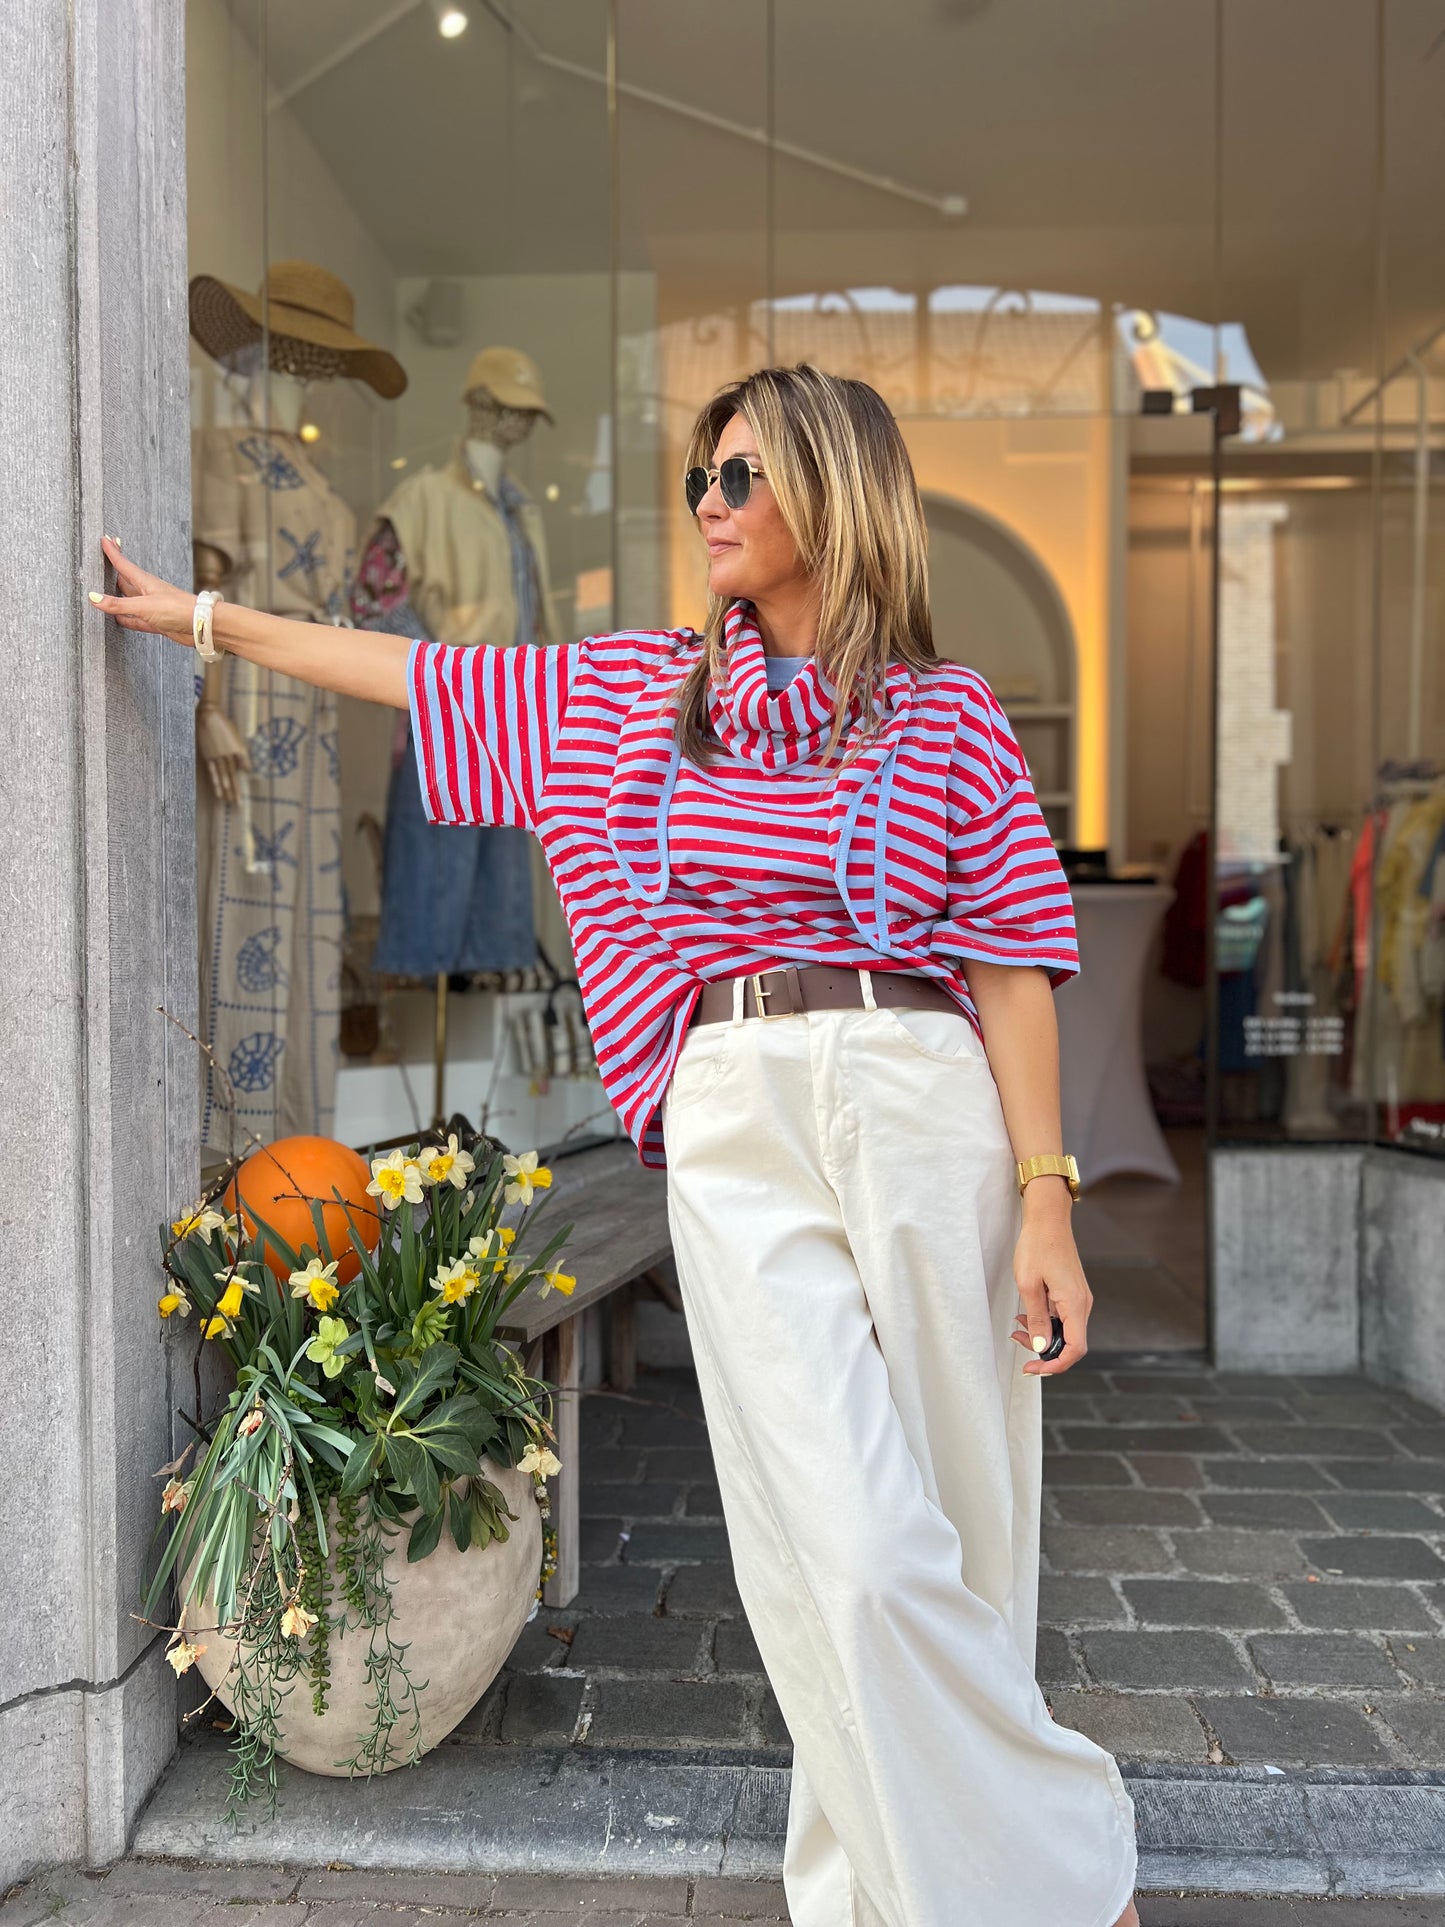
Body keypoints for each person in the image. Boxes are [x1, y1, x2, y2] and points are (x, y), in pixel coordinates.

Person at [93, 362, 1141, 1927]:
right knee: (840, 1548)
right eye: (700, 479)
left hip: (930, 1102)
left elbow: (1011, 962)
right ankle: (1069, 1881)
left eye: (739, 479)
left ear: (832, 497)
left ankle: (906, 1895)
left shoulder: (950, 714)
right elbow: (418, 677)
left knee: (959, 1525)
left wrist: (1048, 1201)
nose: (704, 507)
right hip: (731, 1101)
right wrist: (206, 624)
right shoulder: (632, 695)